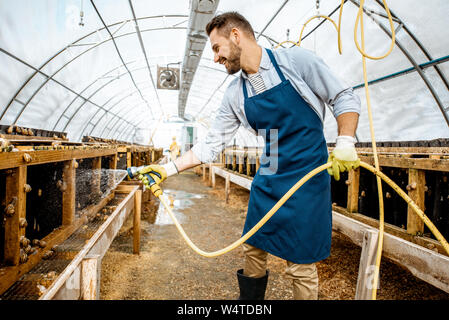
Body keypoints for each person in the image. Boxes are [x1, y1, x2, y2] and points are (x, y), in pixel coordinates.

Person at [136, 11, 361, 300]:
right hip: (269, 173)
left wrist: (345, 141)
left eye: (217, 48)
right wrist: (166, 170)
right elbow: (211, 144)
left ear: (235, 35)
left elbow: (342, 95)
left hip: (307, 174)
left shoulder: (295, 62)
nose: (215, 58)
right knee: (253, 248)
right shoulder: (235, 93)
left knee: (301, 264)